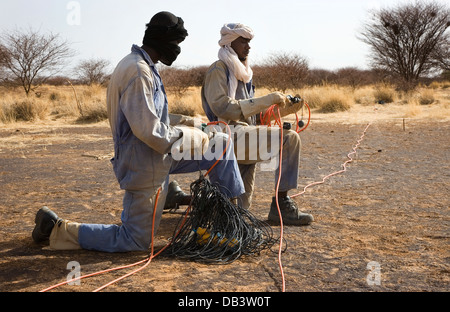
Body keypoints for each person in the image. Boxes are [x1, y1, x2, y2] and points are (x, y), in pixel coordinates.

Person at [31, 12, 245, 252]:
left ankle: (229, 220)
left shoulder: (144, 65)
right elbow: (148, 130)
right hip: (143, 162)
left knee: (221, 145)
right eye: (175, 43)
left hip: (159, 155)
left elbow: (150, 114)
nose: (177, 49)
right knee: (135, 241)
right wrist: (190, 137)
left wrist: (191, 123)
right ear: (162, 40)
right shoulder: (138, 71)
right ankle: (54, 228)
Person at [201, 23, 313, 226]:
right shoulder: (218, 70)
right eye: (243, 41)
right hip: (226, 136)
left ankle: (277, 205)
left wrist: (286, 109)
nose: (248, 46)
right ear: (229, 42)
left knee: (240, 212)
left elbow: (254, 117)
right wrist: (267, 99)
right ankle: (281, 204)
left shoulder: (244, 75)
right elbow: (223, 108)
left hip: (245, 136)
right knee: (288, 139)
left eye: (249, 42)